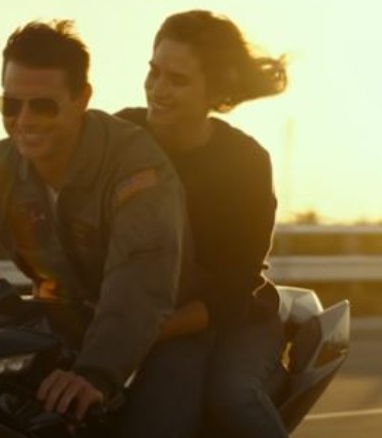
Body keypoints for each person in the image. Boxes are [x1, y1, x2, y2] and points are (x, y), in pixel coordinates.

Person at [0, 19, 188, 425]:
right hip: (69, 323)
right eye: (11, 105)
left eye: (43, 105)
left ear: (81, 98)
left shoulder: (135, 168)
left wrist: (95, 373)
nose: (24, 120)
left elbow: (138, 285)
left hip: (167, 325)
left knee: (152, 425)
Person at [115, 10, 289, 437]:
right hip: (142, 309)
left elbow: (233, 287)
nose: (158, 90)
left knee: (231, 398)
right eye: (154, 73)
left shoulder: (246, 162)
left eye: (178, 80)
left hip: (233, 317)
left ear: (216, 89)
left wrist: (147, 330)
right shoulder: (120, 134)